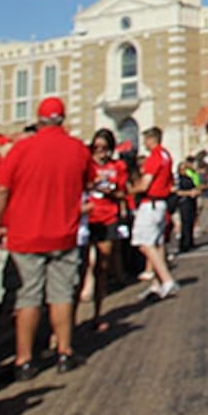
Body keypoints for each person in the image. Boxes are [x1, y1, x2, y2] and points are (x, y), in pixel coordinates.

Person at [0, 96, 93, 380]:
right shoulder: (77, 149)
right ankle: (64, 351)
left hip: (26, 235)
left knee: (28, 297)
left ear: (39, 119)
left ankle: (24, 359)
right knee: (62, 294)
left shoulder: (22, 148)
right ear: (63, 118)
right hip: (63, 232)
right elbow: (89, 182)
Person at [79, 128, 127, 333]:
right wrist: (92, 185)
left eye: (105, 148)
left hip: (107, 216)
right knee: (82, 265)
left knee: (102, 264)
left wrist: (113, 192)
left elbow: (123, 192)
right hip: (86, 218)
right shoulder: (85, 165)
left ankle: (98, 313)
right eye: (97, 148)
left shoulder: (118, 166)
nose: (101, 152)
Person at [130, 127, 180, 299]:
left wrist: (131, 190)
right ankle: (157, 284)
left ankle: (166, 279)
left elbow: (145, 184)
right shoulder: (166, 156)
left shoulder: (155, 157)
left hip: (150, 203)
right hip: (161, 203)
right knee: (157, 244)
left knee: (143, 242)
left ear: (151, 140)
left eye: (145, 140)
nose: (144, 144)